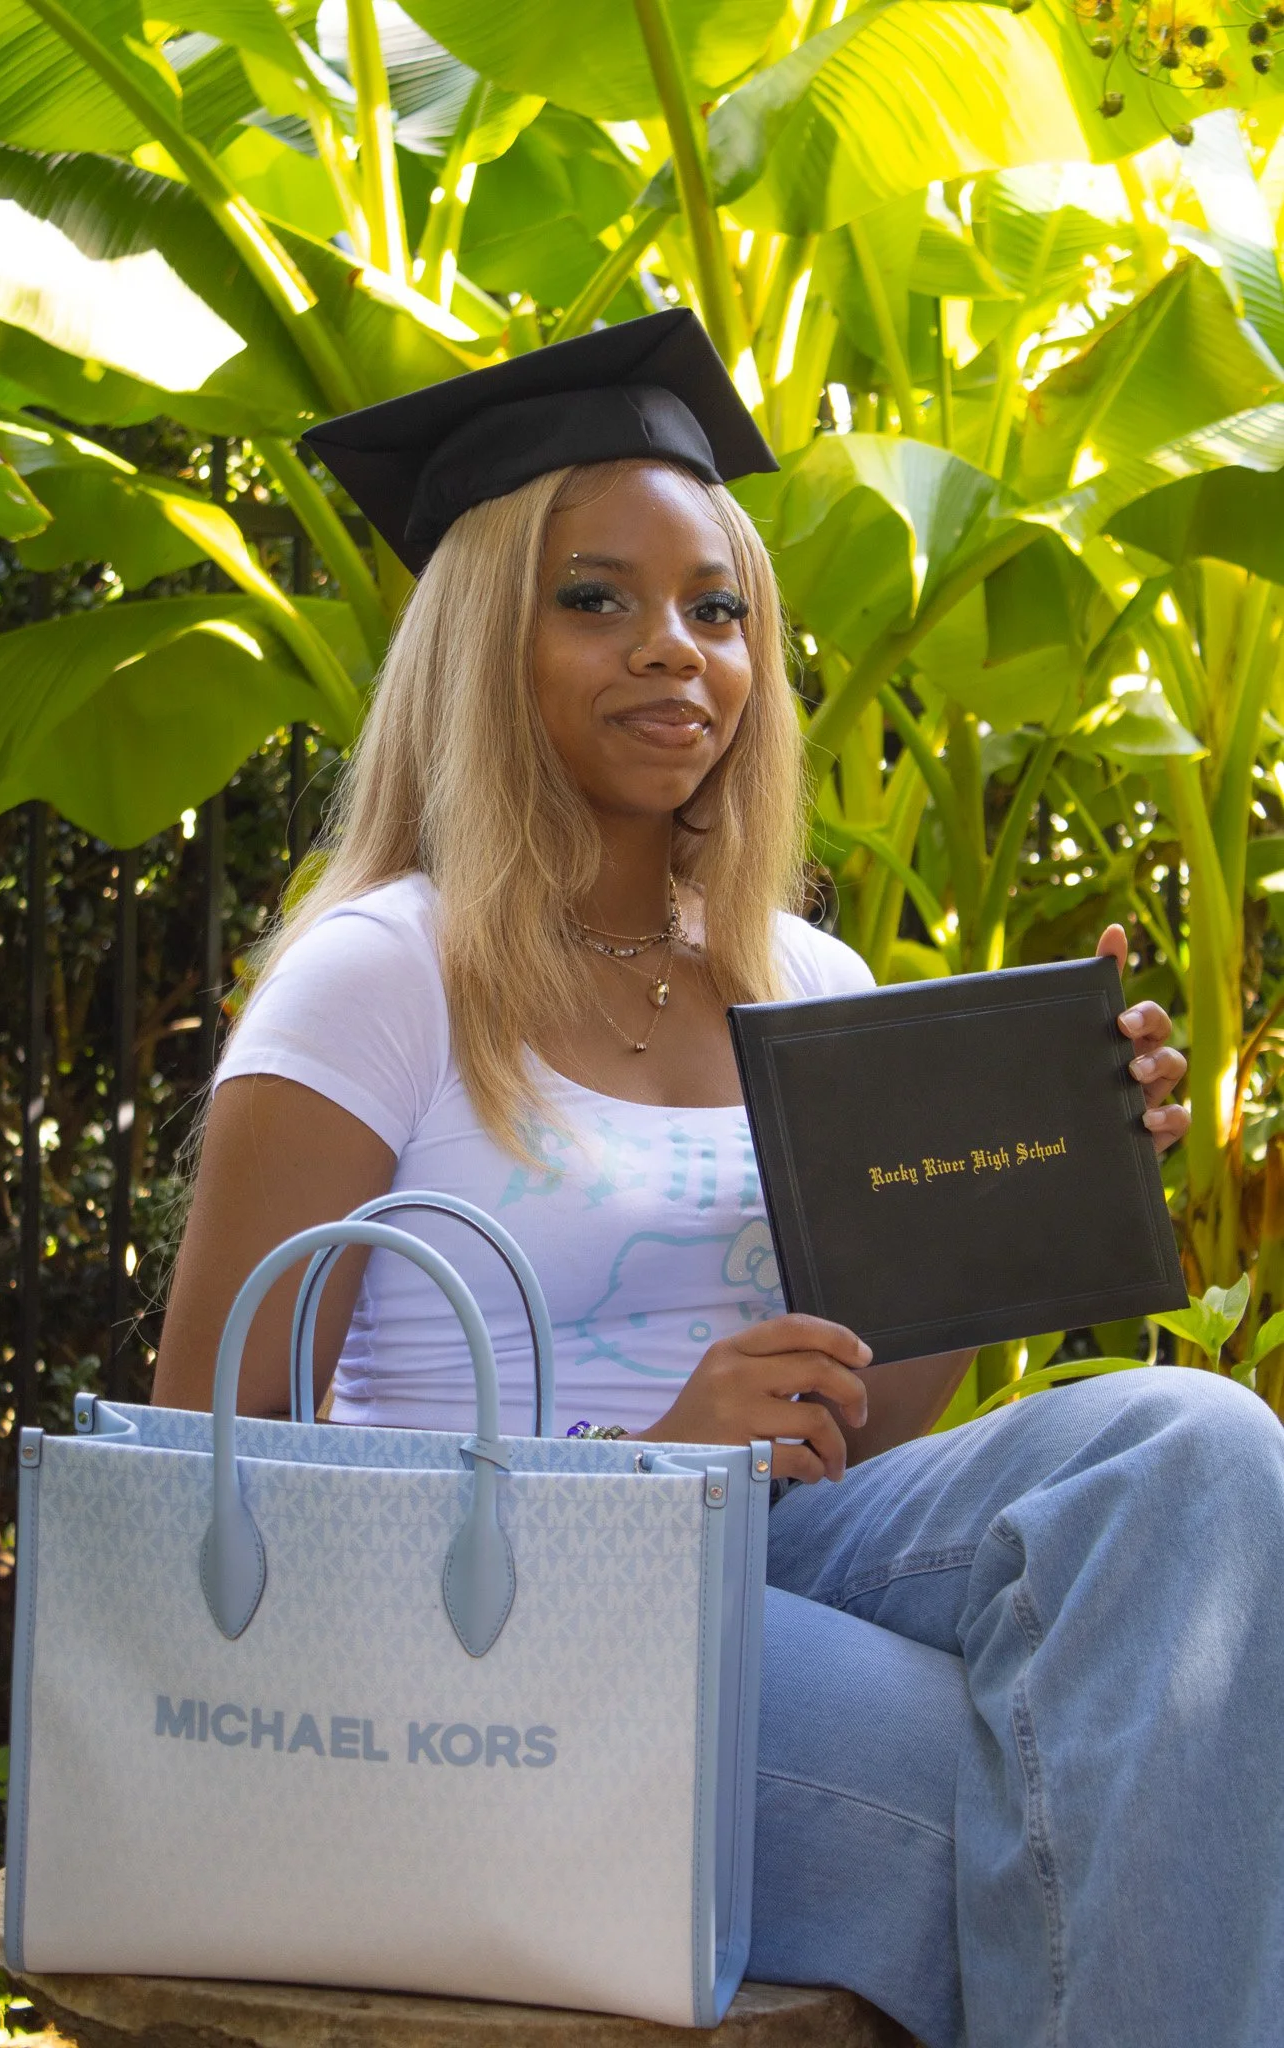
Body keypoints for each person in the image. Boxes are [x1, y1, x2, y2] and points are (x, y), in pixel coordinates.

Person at [155, 311, 1284, 2048]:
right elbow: (208, 1468)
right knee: (1045, 1774)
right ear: (481, 643)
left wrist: (1043, 1195)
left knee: (1206, 1446)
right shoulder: (380, 975)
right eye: (596, 598)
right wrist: (634, 1469)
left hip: (785, 1551)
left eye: (718, 608)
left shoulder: (809, 990)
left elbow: (877, 1412)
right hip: (501, 1611)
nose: (673, 649)